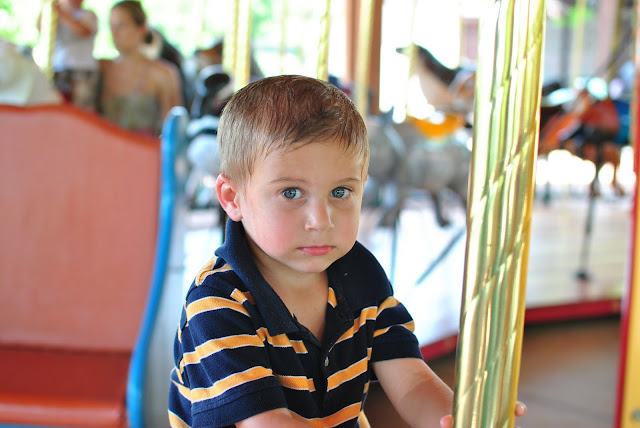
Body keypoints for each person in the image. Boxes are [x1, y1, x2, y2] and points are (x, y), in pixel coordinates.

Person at [168, 75, 527, 428]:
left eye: (340, 192)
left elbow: (412, 381)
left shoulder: (360, 277)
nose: (321, 220)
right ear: (233, 198)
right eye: (291, 193)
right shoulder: (218, 304)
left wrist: (460, 416)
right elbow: (266, 422)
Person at [98, 1, 180, 136]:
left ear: (141, 29)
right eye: (111, 27)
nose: (114, 33)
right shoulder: (101, 68)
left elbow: (172, 132)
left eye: (121, 26)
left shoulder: (163, 74)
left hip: (144, 147)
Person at [37, 0, 99, 110]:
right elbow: (40, 28)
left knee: (81, 107)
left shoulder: (88, 14)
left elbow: (83, 31)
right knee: (59, 105)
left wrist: (61, 14)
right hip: (59, 69)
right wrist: (48, 8)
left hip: (82, 70)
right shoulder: (55, 14)